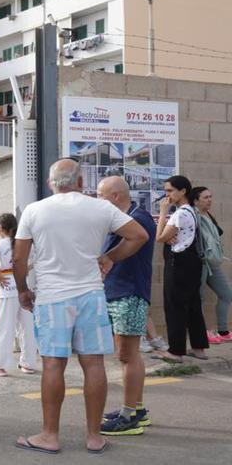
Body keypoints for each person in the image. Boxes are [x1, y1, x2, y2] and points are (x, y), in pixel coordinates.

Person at [13, 159, 148, 455]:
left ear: (51, 183)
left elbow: (19, 259)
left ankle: (50, 435)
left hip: (52, 298)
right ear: (80, 183)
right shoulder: (100, 207)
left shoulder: (35, 210)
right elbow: (139, 235)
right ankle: (93, 437)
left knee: (52, 364)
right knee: (94, 364)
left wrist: (23, 290)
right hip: (91, 295)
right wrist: (110, 256)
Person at [96, 176, 156, 436]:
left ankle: (129, 414)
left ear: (116, 196)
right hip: (119, 293)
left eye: (101, 195)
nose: (98, 201)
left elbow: (137, 239)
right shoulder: (125, 217)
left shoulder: (138, 219)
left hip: (128, 294)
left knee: (127, 355)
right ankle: (137, 409)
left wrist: (109, 257)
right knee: (129, 355)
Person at [156, 175, 209, 362]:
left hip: (178, 263)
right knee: (193, 305)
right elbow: (172, 235)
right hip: (192, 262)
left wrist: (163, 212)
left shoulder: (180, 213)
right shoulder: (192, 211)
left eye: (170, 190)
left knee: (175, 306)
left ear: (183, 191)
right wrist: (169, 235)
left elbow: (160, 237)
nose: (167, 195)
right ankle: (198, 348)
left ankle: (175, 351)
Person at [0, 213, 39, 377]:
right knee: (27, 327)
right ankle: (28, 363)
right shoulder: (24, 244)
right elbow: (31, 263)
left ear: (1, 228)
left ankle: (0, 365)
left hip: (5, 287)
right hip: (23, 286)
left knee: (4, 328)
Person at [191, 186, 232, 343]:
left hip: (212, 262)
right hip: (199, 262)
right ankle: (203, 333)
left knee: (227, 294)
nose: (210, 200)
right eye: (205, 197)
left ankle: (222, 330)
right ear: (195, 200)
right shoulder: (192, 215)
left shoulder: (207, 214)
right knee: (199, 298)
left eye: (210, 197)